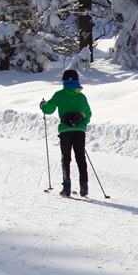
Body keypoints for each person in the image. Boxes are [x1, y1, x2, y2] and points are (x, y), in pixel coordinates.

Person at [40, 69, 92, 197]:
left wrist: (43, 105)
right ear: (77, 81)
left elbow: (48, 110)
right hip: (79, 130)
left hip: (65, 131)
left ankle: (66, 187)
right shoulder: (81, 97)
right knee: (80, 157)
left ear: (64, 81)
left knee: (66, 158)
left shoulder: (59, 94)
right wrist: (81, 121)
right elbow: (88, 115)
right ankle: (84, 186)